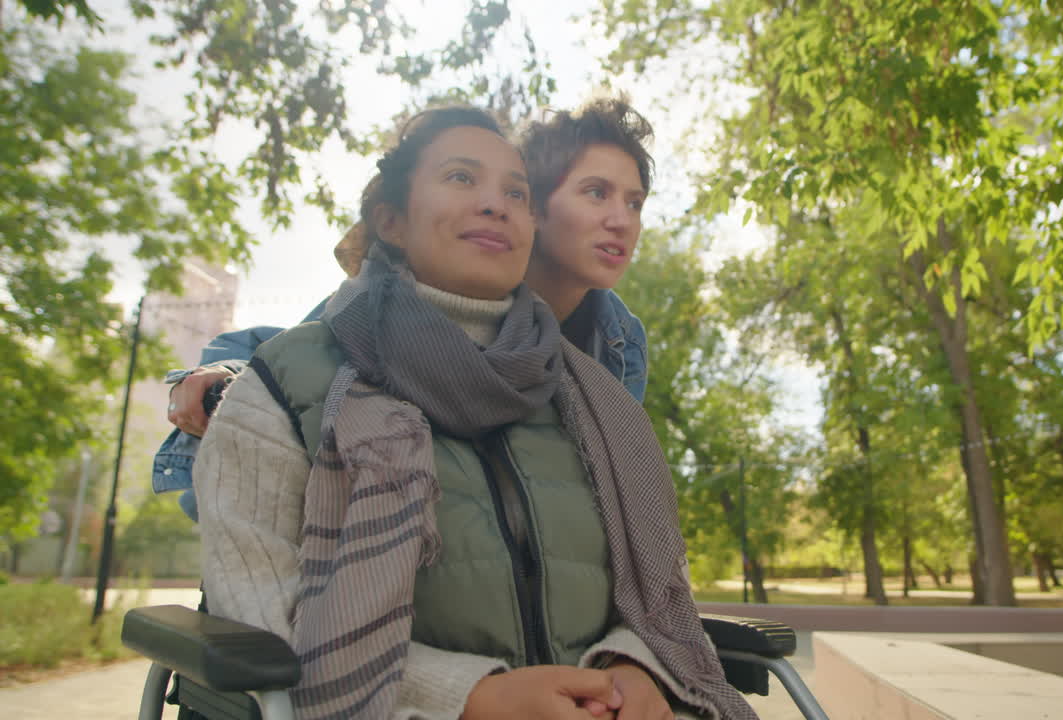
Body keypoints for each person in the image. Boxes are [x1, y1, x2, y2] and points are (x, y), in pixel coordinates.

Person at [193, 105, 754, 720]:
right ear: (391, 220)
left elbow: (650, 591)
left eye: (514, 191)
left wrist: (635, 667)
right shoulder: (288, 381)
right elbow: (263, 620)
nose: (495, 203)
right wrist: (469, 697)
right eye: (462, 178)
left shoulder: (601, 400)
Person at [155, 99, 652, 522]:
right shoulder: (442, 291)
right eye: (596, 192)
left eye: (635, 203)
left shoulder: (617, 344)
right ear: (535, 208)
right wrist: (221, 378)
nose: (620, 221)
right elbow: (297, 352)